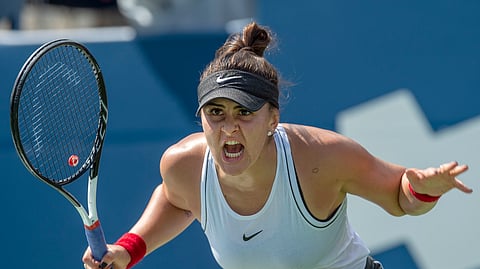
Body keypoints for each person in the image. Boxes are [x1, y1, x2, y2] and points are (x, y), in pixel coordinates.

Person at [82, 22, 473, 269]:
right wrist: (129, 249)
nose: (229, 127)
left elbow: (399, 197)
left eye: (244, 112)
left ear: (273, 119)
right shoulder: (183, 165)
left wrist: (422, 188)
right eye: (215, 112)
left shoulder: (320, 158)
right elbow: (175, 198)